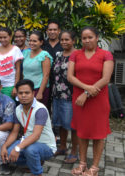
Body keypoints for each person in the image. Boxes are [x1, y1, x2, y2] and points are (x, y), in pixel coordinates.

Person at [67, 27, 114, 176]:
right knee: (82, 132)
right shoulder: (75, 54)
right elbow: (70, 77)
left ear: (97, 37)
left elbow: (105, 79)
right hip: (79, 100)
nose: (87, 40)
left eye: (90, 37)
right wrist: (86, 88)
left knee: (98, 133)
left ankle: (94, 167)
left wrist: (86, 93)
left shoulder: (106, 55)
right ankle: (82, 163)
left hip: (98, 100)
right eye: (84, 38)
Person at [1, 79, 56, 175]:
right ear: (17, 94)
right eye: (20, 93)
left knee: (30, 150)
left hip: (46, 145)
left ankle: (37, 172)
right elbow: (14, 132)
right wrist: (4, 147)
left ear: (33, 93)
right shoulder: (18, 109)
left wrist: (18, 148)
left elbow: (36, 135)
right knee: (9, 154)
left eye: (27, 93)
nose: (23, 96)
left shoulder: (40, 109)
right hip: (28, 141)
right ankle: (34, 163)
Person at [52, 31, 78, 164]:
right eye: (62, 40)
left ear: (73, 40)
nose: (64, 42)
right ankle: (62, 147)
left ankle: (74, 152)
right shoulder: (58, 55)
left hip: (71, 95)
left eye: (67, 39)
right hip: (57, 94)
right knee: (60, 123)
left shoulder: (78, 55)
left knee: (73, 125)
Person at [0, 27, 23, 99]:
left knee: (9, 107)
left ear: (10, 37)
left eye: (5, 37)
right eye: (0, 37)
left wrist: (15, 86)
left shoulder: (15, 50)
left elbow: (18, 70)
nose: (2, 39)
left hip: (10, 86)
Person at [22, 31, 53, 106]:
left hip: (39, 89)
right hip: (26, 89)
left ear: (41, 42)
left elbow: (46, 75)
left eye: (34, 41)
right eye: (30, 40)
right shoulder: (25, 53)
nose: (31, 43)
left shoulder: (44, 55)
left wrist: (40, 92)